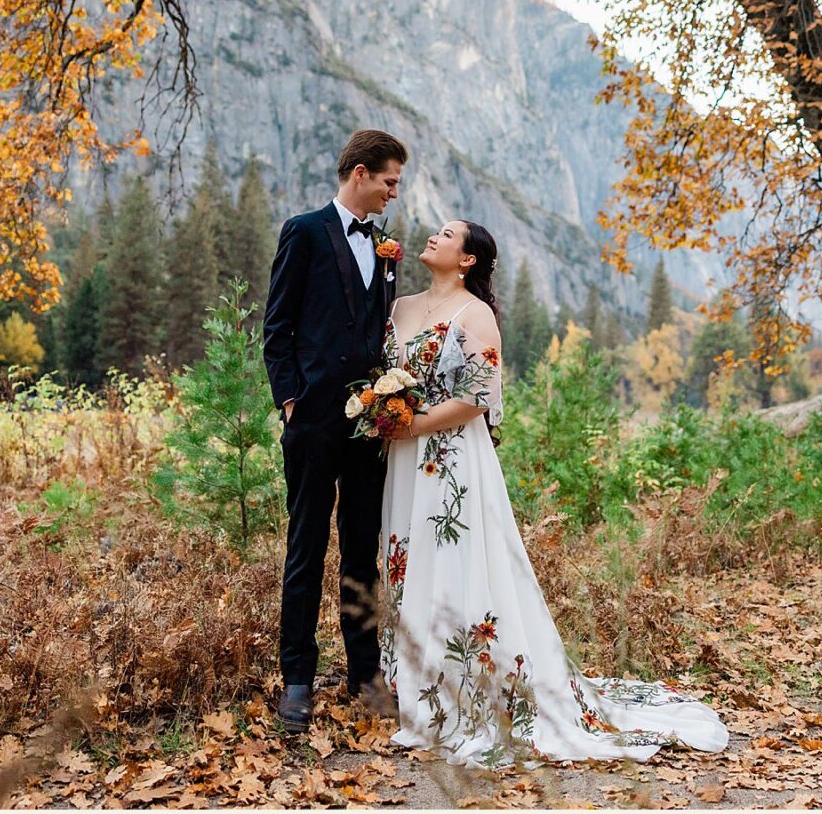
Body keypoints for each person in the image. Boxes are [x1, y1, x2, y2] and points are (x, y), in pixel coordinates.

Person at [377, 220, 729, 768]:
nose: (434, 237)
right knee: (410, 565)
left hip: (451, 457)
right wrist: (382, 413)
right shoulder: (398, 308)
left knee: (454, 562)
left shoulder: (476, 315)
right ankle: (421, 697)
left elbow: (477, 396)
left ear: (467, 259)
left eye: (447, 235)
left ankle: (470, 696)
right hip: (402, 461)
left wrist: (414, 424)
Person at [262, 129, 408, 732]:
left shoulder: (384, 247)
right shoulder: (303, 231)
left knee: (360, 553)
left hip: (368, 430)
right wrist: (293, 403)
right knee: (305, 550)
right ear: (358, 173)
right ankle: (296, 679)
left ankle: (364, 675)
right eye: (388, 182)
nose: (392, 195)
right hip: (313, 424)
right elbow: (278, 328)